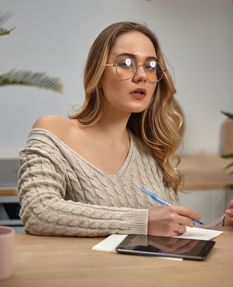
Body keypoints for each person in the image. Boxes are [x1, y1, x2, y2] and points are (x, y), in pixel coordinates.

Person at [17, 21, 233, 237]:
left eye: (150, 66)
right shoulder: (55, 131)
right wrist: (143, 222)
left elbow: (176, 233)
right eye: (126, 63)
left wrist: (224, 225)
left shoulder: (152, 152)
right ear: (98, 72)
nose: (141, 76)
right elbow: (38, 211)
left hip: (151, 271)